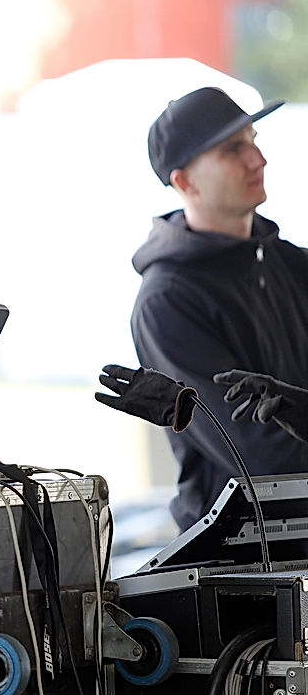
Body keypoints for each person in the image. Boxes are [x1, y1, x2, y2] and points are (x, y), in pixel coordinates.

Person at [131, 85, 308, 531]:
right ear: (184, 182)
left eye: (253, 140)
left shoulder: (292, 265)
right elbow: (262, 457)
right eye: (233, 150)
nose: (257, 159)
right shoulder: (168, 301)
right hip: (239, 561)